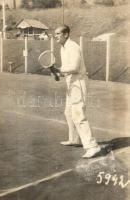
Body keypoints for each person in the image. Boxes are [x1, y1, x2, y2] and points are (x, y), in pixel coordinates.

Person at [54, 25, 101, 158]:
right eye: (55, 34)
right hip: (71, 83)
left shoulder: (73, 47)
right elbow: (66, 70)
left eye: (58, 34)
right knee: (68, 112)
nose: (55, 36)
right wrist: (57, 73)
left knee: (78, 114)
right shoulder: (62, 49)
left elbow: (74, 67)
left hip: (78, 82)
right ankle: (74, 138)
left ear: (66, 34)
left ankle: (92, 146)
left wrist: (59, 70)